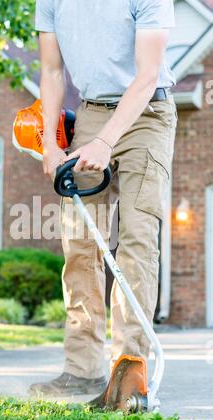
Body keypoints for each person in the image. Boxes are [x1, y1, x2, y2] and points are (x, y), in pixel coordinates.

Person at [29, 0, 177, 397]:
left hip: (147, 114)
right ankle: (81, 369)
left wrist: (106, 141)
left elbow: (147, 77)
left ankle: (128, 374)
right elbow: (51, 70)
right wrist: (49, 143)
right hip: (92, 111)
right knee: (79, 244)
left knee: (136, 241)